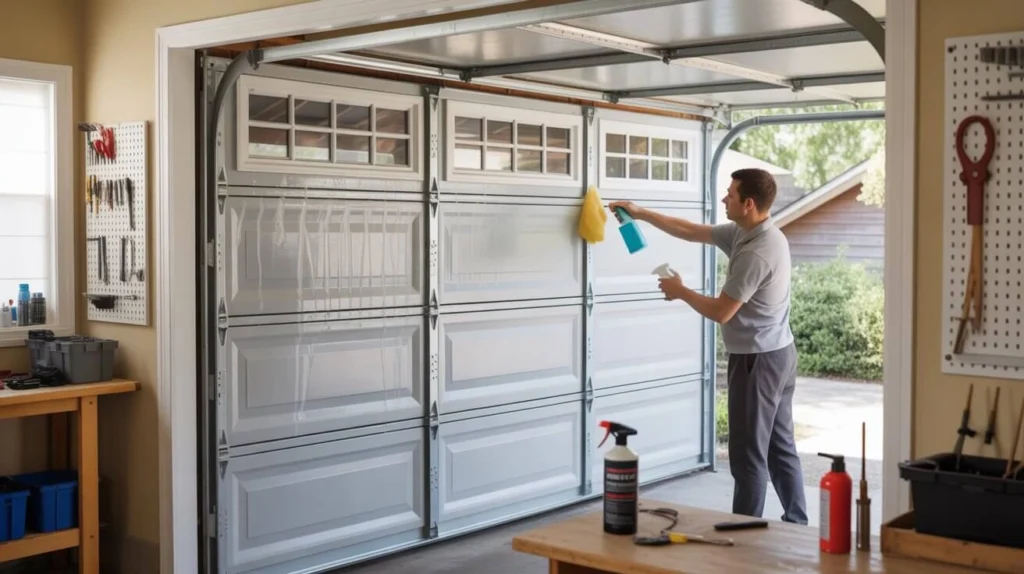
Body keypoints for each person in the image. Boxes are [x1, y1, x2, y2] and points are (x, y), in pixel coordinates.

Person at [608, 168, 808, 525]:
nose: (724, 198)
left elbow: (722, 311)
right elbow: (691, 231)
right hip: (778, 353)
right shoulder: (749, 232)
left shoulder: (758, 252)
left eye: (730, 193)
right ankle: (798, 522)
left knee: (747, 456)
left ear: (748, 203)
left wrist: (681, 291)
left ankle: (744, 532)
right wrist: (641, 213)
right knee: (780, 446)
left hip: (757, 361)